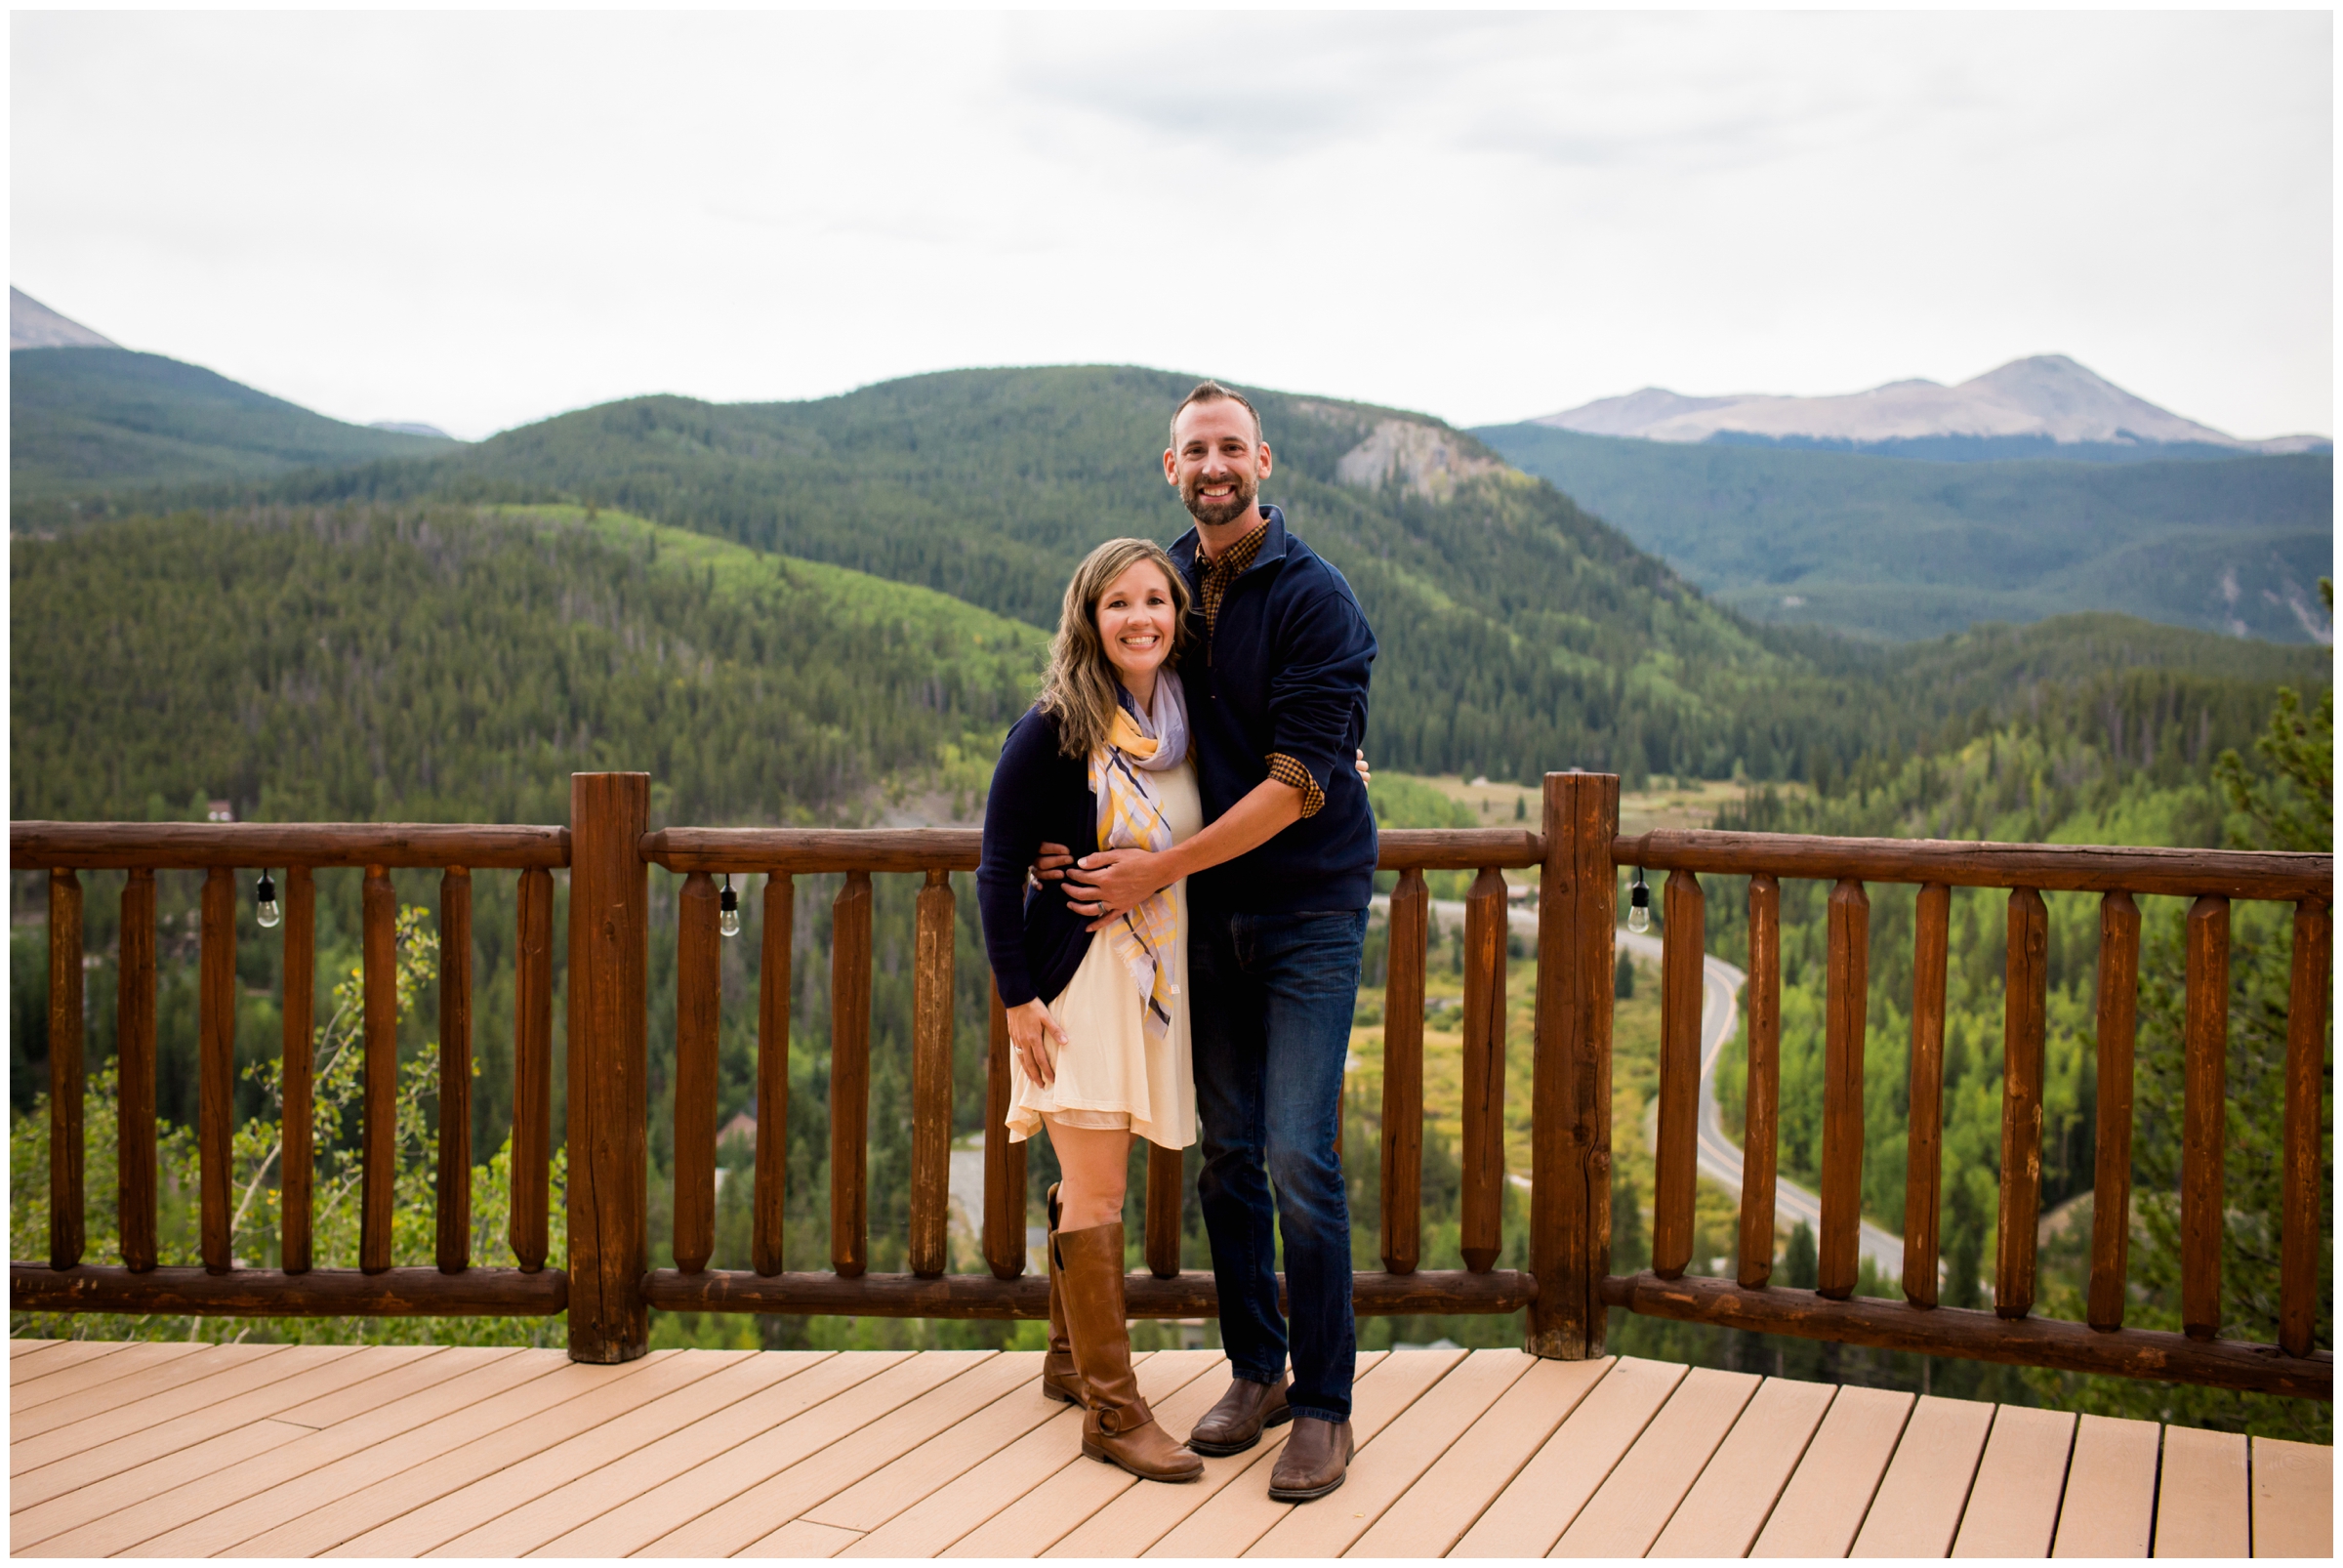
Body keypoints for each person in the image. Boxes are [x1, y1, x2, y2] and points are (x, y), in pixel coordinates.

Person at [1049, 381, 1378, 1505]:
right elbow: (1103, 701)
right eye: (1197, 450)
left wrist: (1155, 869)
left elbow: (1297, 785)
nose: (1215, 464)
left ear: (1265, 461)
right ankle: (1258, 1371)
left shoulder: (1316, 596)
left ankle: (1326, 1407)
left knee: (1297, 1153)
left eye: (1231, 446)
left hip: (1307, 910)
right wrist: (1055, 841)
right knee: (1229, 1152)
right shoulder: (1168, 591)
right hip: (1207, 919)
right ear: (1171, 468)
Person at [976, 536, 1212, 1484]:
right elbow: (998, 866)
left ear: (1176, 614)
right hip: (1076, 986)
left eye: (1155, 599)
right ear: (1089, 617)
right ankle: (1115, 1414)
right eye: (1118, 603)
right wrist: (1018, 1000)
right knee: (1102, 1190)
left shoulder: (1195, 722)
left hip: (1154, 986)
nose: (1140, 617)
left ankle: (1071, 1361)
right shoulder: (1056, 725)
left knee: (1093, 1186)